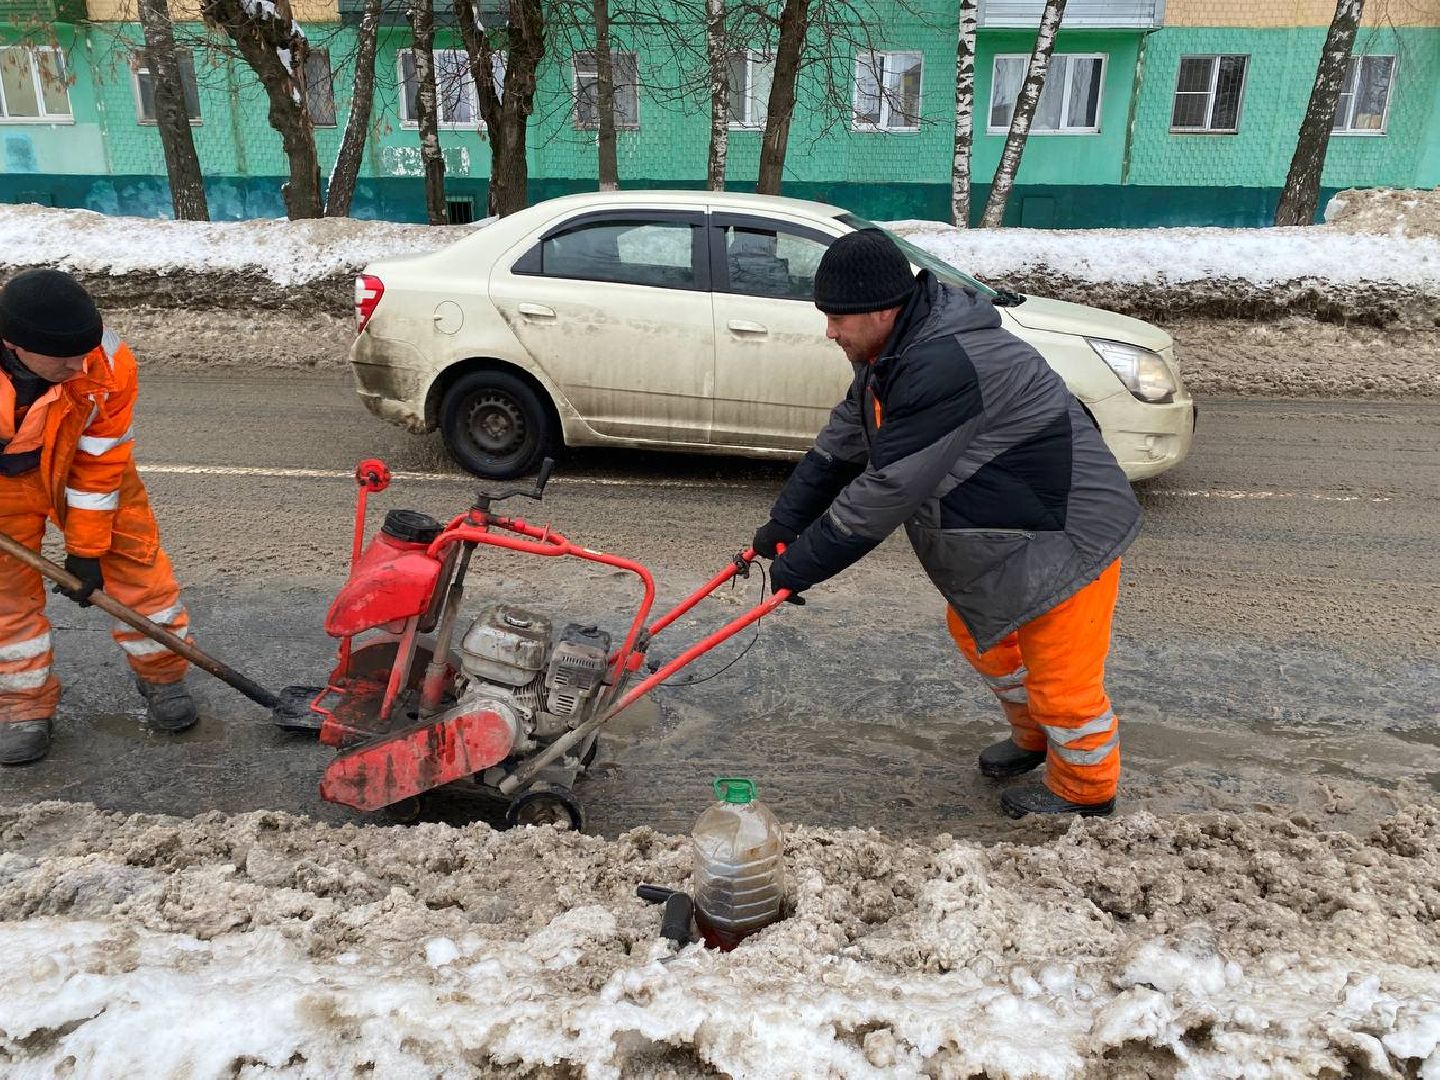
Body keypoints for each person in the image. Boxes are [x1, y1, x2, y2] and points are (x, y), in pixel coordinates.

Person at [750, 230, 1141, 818]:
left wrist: (798, 567)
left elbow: (887, 489)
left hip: (1067, 531)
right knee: (986, 639)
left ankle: (1086, 788)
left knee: (1062, 678)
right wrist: (783, 524)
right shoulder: (894, 354)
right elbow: (840, 445)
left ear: (881, 309)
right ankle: (1036, 736)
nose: (829, 332)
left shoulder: (943, 362)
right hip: (1011, 527)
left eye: (837, 319)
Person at [0, 269, 196, 766]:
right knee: (5, 598)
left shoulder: (105, 363)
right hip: (5, 486)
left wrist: (86, 552)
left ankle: (164, 676)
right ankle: (23, 706)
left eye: (81, 354)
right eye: (62, 359)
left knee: (136, 567)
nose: (76, 366)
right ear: (14, 344)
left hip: (81, 467)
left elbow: (99, 461)